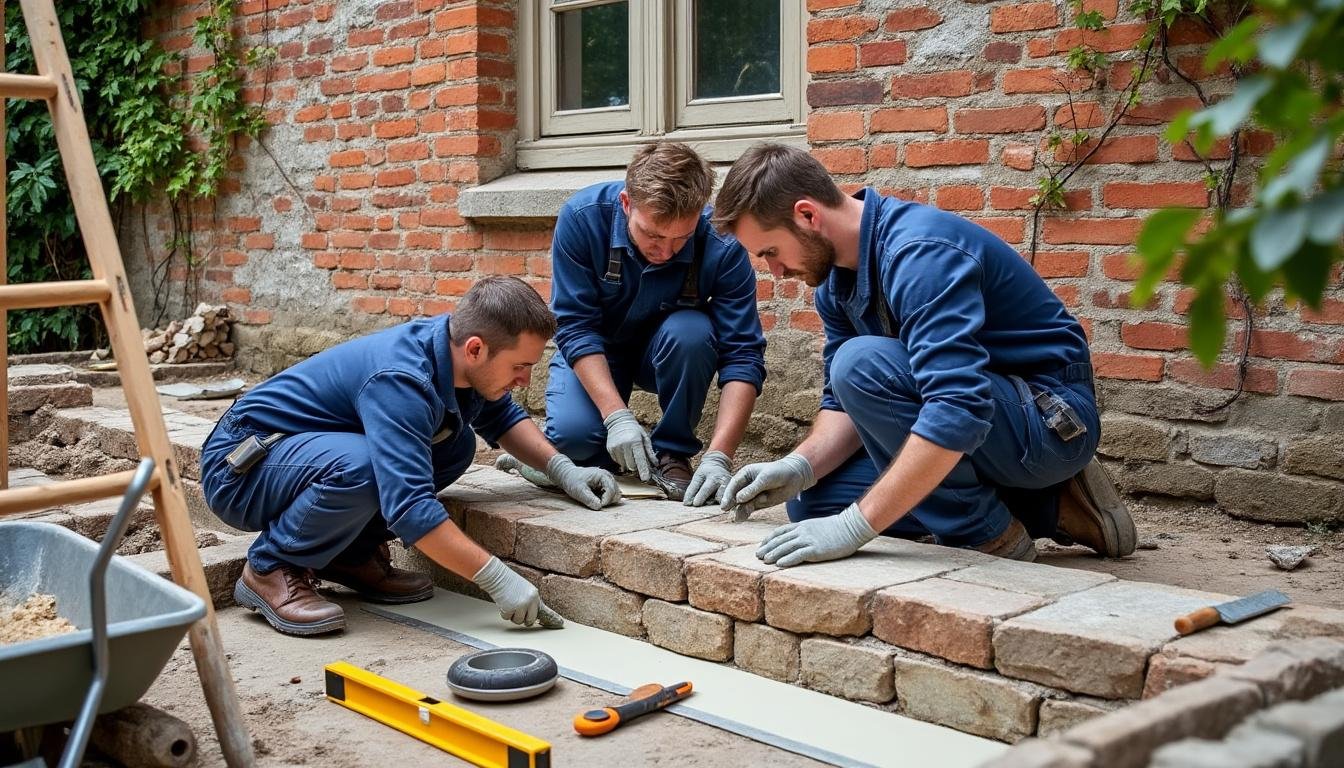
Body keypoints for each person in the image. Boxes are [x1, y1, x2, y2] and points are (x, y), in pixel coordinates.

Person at [710, 143, 1136, 567]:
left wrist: (852, 529)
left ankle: (987, 533)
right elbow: (841, 404)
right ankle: (1052, 506)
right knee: (814, 503)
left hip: (1049, 422)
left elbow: (956, 406)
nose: (775, 273)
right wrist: (798, 466)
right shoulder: (835, 284)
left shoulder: (920, 254)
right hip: (987, 428)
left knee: (860, 364)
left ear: (807, 215)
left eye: (770, 252)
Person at [199, 277, 619, 636]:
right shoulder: (402, 380)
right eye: (519, 366)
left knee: (454, 446)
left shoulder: (454, 354)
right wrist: (498, 578)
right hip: (242, 466)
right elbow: (411, 506)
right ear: (475, 349)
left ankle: (348, 555)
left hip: (292, 457)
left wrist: (562, 470)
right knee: (363, 466)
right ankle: (271, 567)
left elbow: (502, 416)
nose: (525, 379)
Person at [541, 141, 766, 504]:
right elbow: (575, 326)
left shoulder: (722, 244)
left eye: (682, 239)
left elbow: (743, 354)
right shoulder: (582, 218)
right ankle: (577, 451)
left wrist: (720, 456)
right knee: (575, 442)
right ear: (626, 203)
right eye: (653, 235)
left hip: (667, 351)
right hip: (596, 351)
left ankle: (673, 453)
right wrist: (616, 417)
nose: (665, 251)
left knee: (692, 331)